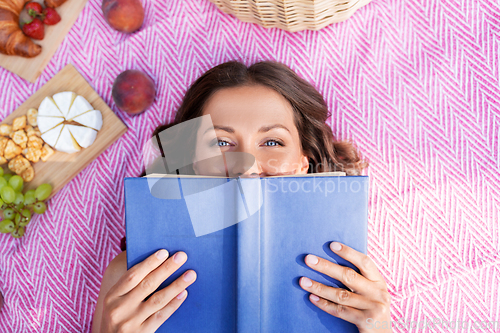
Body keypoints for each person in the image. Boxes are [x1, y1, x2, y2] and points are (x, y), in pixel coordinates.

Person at [91, 61, 392, 333]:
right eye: (221, 141)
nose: (246, 165)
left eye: (272, 141)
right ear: (191, 161)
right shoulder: (128, 277)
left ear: (303, 161)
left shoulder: (348, 274)